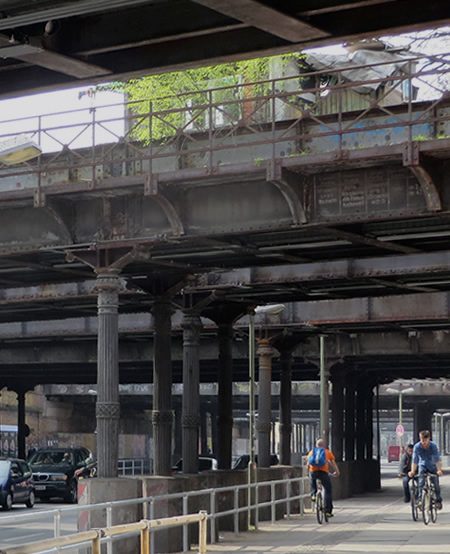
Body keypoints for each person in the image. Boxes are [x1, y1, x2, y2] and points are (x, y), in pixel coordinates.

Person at [408, 430, 443, 509]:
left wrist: (439, 470)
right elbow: (415, 460)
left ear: (429, 438)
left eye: (425, 440)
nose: (423, 442)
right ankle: (420, 500)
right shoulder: (417, 447)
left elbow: (437, 459)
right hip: (422, 466)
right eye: (422, 440)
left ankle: (438, 500)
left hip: (432, 465)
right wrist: (412, 471)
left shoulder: (433, 446)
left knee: (435, 483)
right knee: (421, 482)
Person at [307, 438, 340, 518]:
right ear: (324, 446)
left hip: (313, 471)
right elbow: (333, 463)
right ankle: (328, 511)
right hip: (323, 472)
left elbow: (308, 463)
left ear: (316, 445)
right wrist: (337, 472)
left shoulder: (311, 452)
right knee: (328, 490)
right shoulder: (327, 452)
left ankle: (313, 494)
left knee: (312, 480)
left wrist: (308, 472)